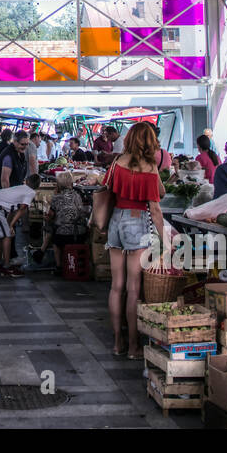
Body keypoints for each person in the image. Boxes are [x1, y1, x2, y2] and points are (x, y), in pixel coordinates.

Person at [101, 121, 166, 360]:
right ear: (150, 142)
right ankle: (133, 347)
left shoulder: (117, 163)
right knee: (133, 288)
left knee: (116, 286)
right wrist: (164, 240)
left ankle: (117, 342)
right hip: (137, 221)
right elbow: (157, 205)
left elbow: (105, 186)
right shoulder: (149, 167)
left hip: (116, 220)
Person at [0, 173, 41, 277]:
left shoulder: (21, 188)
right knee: (7, 236)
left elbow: (12, 209)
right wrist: (11, 225)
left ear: (27, 181)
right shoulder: (31, 192)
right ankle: (6, 266)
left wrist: (9, 224)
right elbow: (22, 209)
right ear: (37, 186)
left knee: (0, 236)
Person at [39, 171, 87, 268]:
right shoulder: (78, 195)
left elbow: (50, 216)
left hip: (63, 235)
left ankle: (59, 265)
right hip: (80, 233)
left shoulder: (57, 197)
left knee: (55, 240)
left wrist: (43, 215)